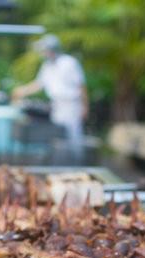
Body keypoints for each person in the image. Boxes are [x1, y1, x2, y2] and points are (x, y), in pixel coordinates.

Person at [12, 34, 88, 163]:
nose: (43, 53)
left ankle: (77, 164)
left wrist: (85, 107)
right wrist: (22, 91)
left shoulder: (69, 63)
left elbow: (81, 86)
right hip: (56, 105)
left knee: (73, 138)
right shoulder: (47, 66)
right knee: (58, 139)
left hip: (71, 105)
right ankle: (61, 164)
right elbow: (39, 84)